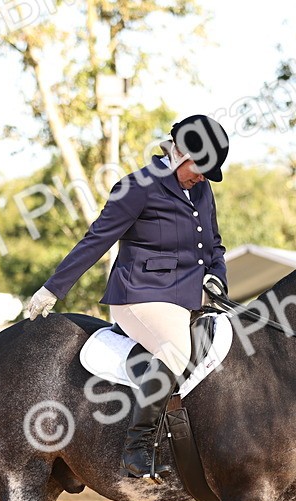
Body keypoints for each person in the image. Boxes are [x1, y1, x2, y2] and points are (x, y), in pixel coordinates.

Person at [24, 114, 230, 482]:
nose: (201, 178)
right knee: (177, 350)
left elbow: (212, 243)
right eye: (199, 169)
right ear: (179, 154)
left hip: (188, 296)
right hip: (140, 293)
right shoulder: (137, 187)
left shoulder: (201, 189)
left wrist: (217, 275)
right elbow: (96, 240)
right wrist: (52, 288)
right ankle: (137, 448)